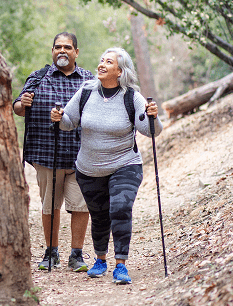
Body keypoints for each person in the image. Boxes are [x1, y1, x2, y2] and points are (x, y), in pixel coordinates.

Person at [51, 47, 163, 284]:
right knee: (100, 215)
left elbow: (149, 131)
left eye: (108, 62)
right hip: (89, 169)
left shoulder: (132, 97)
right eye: (101, 60)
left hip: (125, 164)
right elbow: (69, 122)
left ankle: (120, 265)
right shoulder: (86, 91)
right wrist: (59, 117)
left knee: (120, 209)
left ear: (120, 71)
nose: (101, 64)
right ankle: (100, 259)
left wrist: (153, 116)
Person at [13, 32, 94, 272]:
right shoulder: (38, 78)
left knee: (80, 205)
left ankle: (76, 255)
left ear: (76, 52)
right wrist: (23, 103)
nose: (62, 51)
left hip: (82, 156)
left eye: (67, 47)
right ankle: (51, 252)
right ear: (52, 51)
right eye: (57, 47)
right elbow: (17, 108)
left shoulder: (89, 80)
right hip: (47, 155)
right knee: (50, 205)